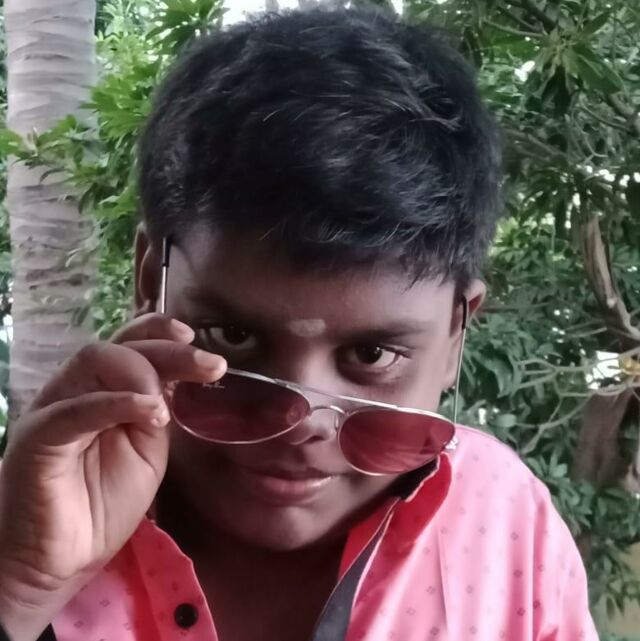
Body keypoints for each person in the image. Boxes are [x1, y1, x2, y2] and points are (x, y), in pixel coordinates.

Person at [0, 7, 598, 641]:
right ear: (152, 282)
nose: (299, 421)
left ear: (455, 333)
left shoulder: (505, 526)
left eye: (372, 354)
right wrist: (19, 589)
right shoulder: (32, 524)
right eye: (233, 337)